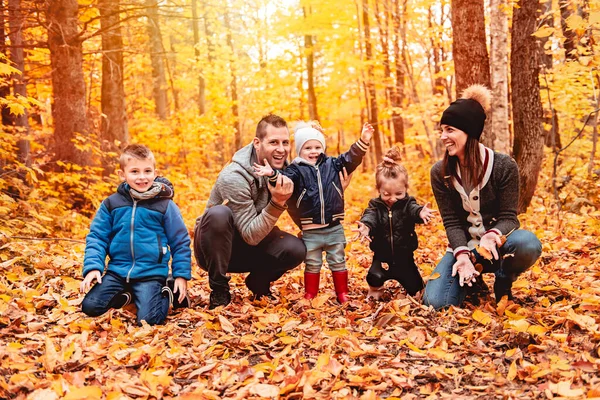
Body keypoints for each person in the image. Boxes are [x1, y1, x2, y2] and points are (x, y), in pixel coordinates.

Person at [423, 84, 542, 309]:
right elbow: (451, 222)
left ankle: (503, 282)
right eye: (442, 130)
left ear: (469, 132)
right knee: (435, 302)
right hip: (463, 249)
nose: (443, 137)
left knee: (527, 243)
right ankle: (472, 281)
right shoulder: (440, 173)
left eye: (450, 130)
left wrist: (491, 235)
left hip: (498, 246)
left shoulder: (503, 166)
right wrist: (462, 255)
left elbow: (510, 217)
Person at [194, 114, 306, 309]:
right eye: (273, 142)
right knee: (218, 214)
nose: (281, 149)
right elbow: (250, 235)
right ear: (257, 143)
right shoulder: (234, 176)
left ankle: (258, 283)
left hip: (252, 241)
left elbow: (301, 207)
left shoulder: (287, 170)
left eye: (285, 142)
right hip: (215, 249)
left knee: (296, 248)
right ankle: (219, 289)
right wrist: (278, 201)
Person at [254, 120, 373, 303]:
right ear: (300, 150)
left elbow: (352, 158)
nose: (313, 151)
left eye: (317, 147)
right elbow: (284, 181)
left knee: (338, 260)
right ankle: (311, 294)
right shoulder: (296, 170)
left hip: (334, 227)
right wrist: (272, 174)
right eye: (308, 147)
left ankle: (342, 293)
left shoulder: (332, 164)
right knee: (313, 263)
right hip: (311, 230)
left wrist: (363, 140)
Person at [81, 144, 191, 325]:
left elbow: (180, 241)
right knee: (91, 307)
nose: (142, 177)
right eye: (134, 171)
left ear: (155, 173)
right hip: (117, 271)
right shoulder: (111, 204)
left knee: (149, 320)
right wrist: (93, 267)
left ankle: (167, 291)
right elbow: (97, 237)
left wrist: (181, 275)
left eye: (147, 171)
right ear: (122, 174)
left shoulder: (165, 205)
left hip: (151, 273)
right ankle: (129, 296)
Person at [353, 146, 435, 300]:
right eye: (386, 194)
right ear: (379, 190)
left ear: (406, 189)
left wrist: (421, 213)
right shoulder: (375, 205)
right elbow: (370, 217)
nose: (392, 198)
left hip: (404, 256)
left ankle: (412, 288)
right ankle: (375, 291)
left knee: (416, 288)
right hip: (381, 257)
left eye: (399, 194)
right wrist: (365, 226)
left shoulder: (407, 203)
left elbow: (414, 210)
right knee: (374, 276)